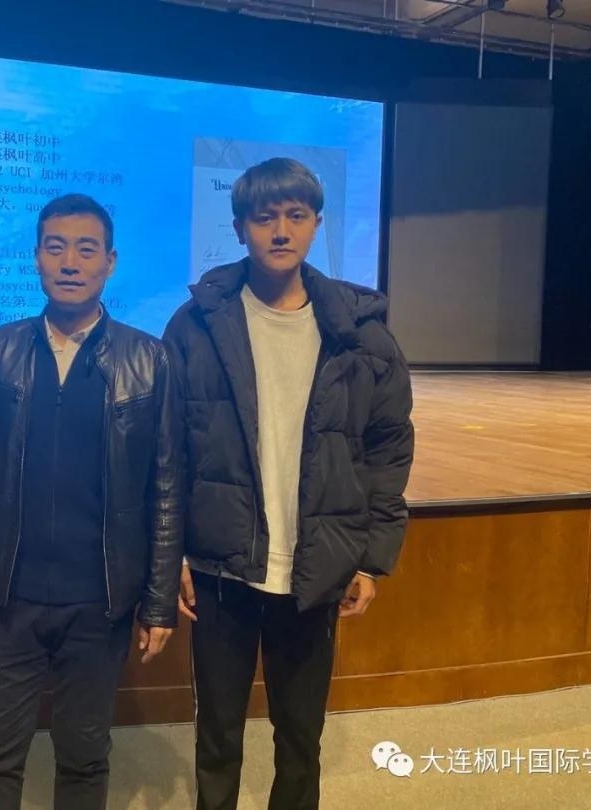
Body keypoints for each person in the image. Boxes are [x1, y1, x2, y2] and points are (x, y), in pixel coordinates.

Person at [163, 157, 414, 809]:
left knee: (301, 738)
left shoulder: (361, 334)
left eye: (296, 215)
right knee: (217, 735)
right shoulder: (195, 325)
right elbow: (169, 451)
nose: (281, 230)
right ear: (239, 227)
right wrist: (174, 557)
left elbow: (388, 449)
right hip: (221, 567)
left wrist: (372, 558)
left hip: (316, 566)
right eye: (264, 217)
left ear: (317, 224)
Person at [0, 193, 184, 810]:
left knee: (84, 755)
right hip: (8, 594)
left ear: (110, 261)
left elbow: (165, 488)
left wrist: (158, 601)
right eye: (56, 248)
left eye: (86, 249)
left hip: (98, 600)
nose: (70, 262)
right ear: (36, 258)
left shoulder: (147, 359)